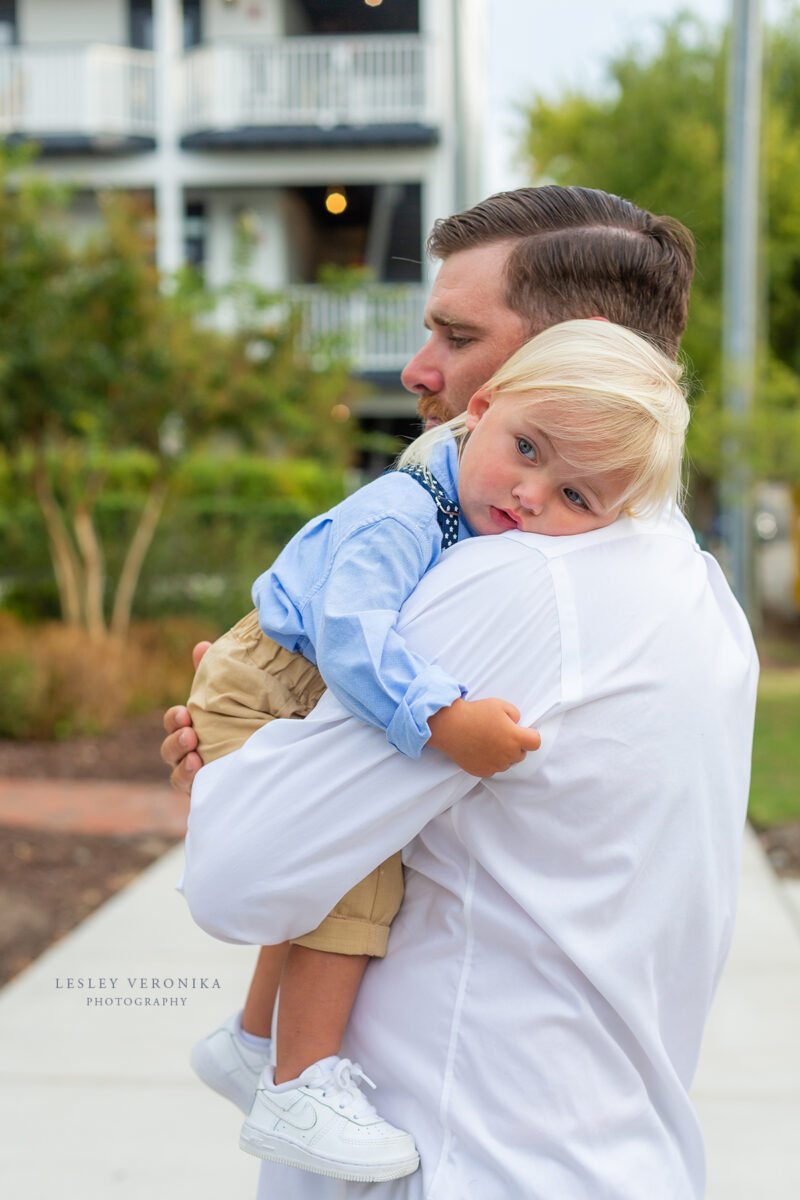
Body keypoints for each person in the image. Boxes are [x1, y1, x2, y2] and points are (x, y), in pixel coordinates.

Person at [167, 187, 758, 1197]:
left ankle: (270, 1056)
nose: (418, 369)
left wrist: (242, 776)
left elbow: (236, 875)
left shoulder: (516, 577)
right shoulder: (690, 587)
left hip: (460, 1162)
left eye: (455, 332)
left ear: (579, 353)